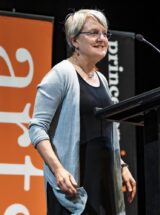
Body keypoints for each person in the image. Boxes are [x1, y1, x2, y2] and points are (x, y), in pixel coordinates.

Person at [29, 9, 136, 215]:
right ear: (74, 40)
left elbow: (104, 130)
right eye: (94, 32)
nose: (102, 38)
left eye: (105, 33)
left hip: (104, 181)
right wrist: (58, 169)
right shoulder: (61, 74)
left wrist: (121, 166)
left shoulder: (101, 79)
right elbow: (36, 128)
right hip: (75, 182)